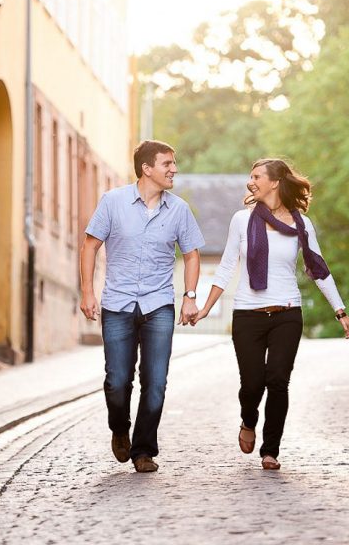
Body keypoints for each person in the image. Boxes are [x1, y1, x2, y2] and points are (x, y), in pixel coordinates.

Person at [193, 158, 349, 470]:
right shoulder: (241, 220)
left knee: (278, 381)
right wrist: (205, 308)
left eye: (256, 176)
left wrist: (340, 311)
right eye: (250, 176)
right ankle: (248, 420)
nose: (250, 182)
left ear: (275, 182)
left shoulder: (301, 225)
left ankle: (271, 449)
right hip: (247, 315)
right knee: (253, 383)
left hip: (287, 313)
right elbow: (227, 266)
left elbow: (318, 271)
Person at [80, 140, 205, 473]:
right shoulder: (113, 202)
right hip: (118, 303)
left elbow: (192, 254)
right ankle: (120, 429)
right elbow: (90, 246)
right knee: (117, 380)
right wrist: (87, 293)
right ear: (147, 168)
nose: (174, 169)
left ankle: (144, 450)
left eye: (174, 163)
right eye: (167, 164)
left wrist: (189, 295)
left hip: (159, 303)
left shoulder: (178, 209)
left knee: (156, 380)